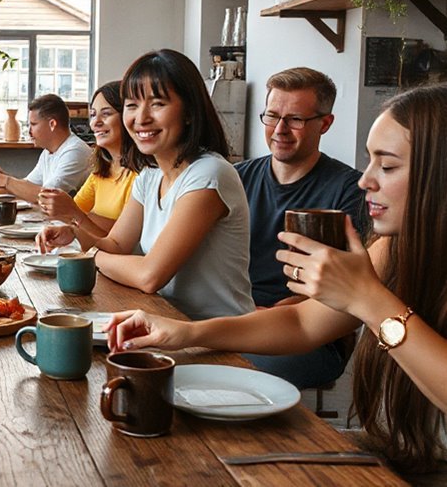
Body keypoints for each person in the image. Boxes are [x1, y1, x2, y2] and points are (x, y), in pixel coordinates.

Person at [106, 84, 447, 477]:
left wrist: (370, 301)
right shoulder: (394, 249)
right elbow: (302, 323)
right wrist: (184, 332)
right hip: (398, 447)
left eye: (387, 166)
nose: (365, 181)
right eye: (370, 162)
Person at [45, 49, 254, 320]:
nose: (141, 118)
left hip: (216, 338)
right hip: (162, 321)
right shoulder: (150, 175)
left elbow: (149, 275)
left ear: (190, 111)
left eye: (157, 104)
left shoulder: (208, 174)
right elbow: (117, 245)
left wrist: (91, 255)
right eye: (132, 105)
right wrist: (76, 233)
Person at [236, 67, 367, 389]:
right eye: (271, 116)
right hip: (234, 315)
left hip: (309, 336)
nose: (279, 129)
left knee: (229, 368)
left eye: (295, 119)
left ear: (325, 123)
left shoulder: (350, 190)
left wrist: (266, 315)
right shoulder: (236, 178)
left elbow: (348, 288)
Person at [36, 81, 136, 250]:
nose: (95, 122)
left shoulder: (140, 176)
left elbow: (119, 246)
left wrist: (77, 217)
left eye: (106, 114)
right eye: (92, 114)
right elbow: (75, 216)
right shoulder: (102, 170)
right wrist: (70, 228)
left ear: (128, 117)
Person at [0, 93, 92, 203]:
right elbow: (28, 185)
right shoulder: (48, 152)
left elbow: (48, 197)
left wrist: (3, 180)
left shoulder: (75, 151)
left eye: (33, 124)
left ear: (52, 124)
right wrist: (0, 177)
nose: (29, 131)